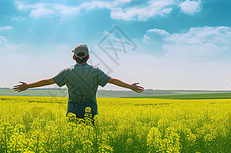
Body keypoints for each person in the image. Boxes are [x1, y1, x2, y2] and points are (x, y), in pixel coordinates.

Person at [13, 44, 144, 119]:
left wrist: (28, 86)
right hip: (91, 110)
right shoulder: (95, 71)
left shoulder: (67, 72)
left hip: (73, 110)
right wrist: (130, 86)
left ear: (73, 57)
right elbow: (112, 80)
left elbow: (48, 82)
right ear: (88, 57)